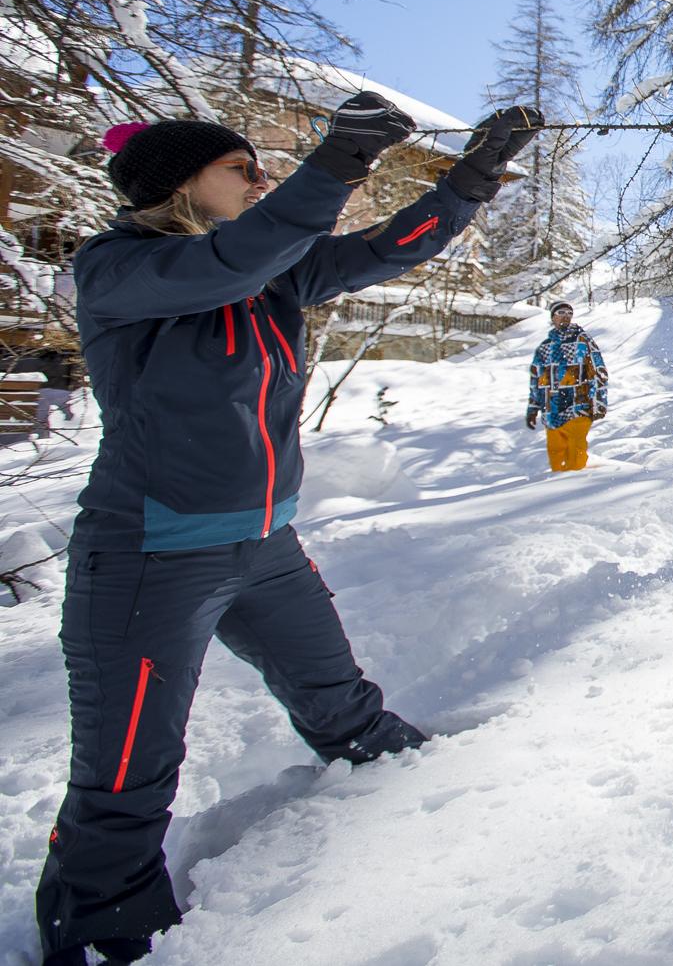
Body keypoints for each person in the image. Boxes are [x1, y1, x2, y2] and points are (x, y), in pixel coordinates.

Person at [36, 95, 542, 965]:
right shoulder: (119, 269)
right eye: (243, 168)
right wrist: (336, 160)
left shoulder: (271, 270)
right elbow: (228, 263)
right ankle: (99, 925)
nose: (260, 179)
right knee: (127, 776)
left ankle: (422, 808)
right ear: (180, 186)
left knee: (346, 710)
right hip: (149, 555)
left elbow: (392, 247)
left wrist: (473, 174)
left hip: (263, 547)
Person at [527, 301, 607, 472]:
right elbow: (536, 380)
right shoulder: (544, 348)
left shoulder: (582, 340)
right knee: (557, 459)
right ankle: (558, 494)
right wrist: (533, 409)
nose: (566, 316)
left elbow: (599, 372)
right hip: (552, 411)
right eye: (561, 312)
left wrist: (599, 401)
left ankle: (579, 491)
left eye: (569, 313)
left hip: (579, 406)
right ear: (553, 317)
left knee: (576, 457)